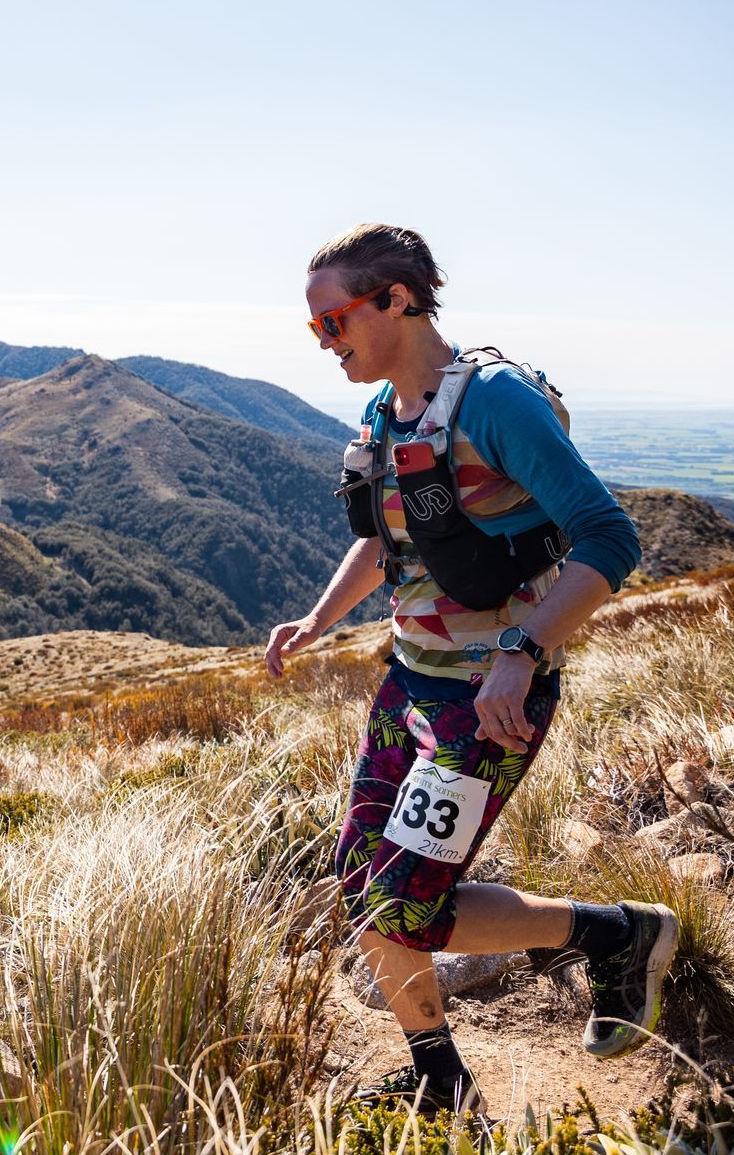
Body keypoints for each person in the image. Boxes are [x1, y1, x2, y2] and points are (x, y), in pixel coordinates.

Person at [264, 224, 675, 1117]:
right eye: (315, 330)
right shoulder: (388, 413)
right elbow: (385, 542)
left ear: (396, 300)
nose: (325, 343)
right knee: (363, 892)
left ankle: (617, 934)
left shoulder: (495, 403)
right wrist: (316, 622)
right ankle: (439, 1079)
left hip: (488, 703)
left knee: (406, 906)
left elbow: (611, 536)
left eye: (333, 321)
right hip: (408, 686)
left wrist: (521, 656)